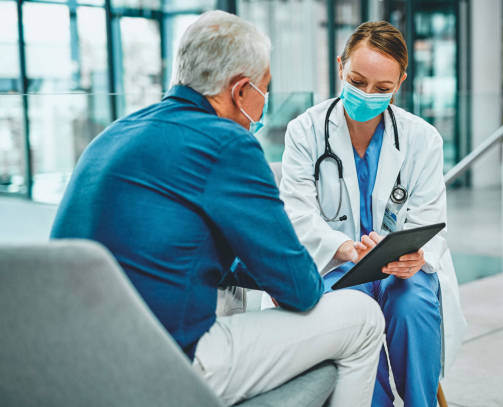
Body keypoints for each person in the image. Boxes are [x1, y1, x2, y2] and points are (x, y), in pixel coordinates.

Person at [50, 11, 385, 406]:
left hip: (72, 366)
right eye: (265, 90)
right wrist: (286, 277)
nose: (263, 106)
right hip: (164, 369)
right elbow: (301, 290)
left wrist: (264, 275)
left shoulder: (116, 133)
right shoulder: (228, 143)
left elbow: (167, 251)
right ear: (240, 90)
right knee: (362, 316)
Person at [279, 21, 467, 407]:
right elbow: (297, 216)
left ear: (400, 81)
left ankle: (421, 402)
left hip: (400, 269)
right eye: (357, 80)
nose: (367, 95)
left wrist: (418, 255)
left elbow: (428, 218)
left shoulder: (422, 139)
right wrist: (345, 248)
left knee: (412, 302)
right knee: (353, 312)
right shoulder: (305, 131)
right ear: (340, 67)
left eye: (383, 89)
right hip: (336, 266)